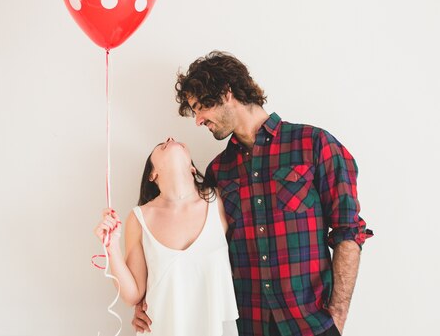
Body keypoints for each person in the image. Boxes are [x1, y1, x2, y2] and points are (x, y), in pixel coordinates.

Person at [133, 51, 373, 336]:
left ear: (225, 92)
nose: (197, 120)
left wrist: (337, 316)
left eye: (199, 107)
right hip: (248, 326)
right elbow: (197, 251)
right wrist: (148, 301)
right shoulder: (218, 172)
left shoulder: (315, 145)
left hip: (311, 325)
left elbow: (349, 231)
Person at [95, 137, 239, 336]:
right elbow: (132, 295)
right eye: (160, 145)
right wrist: (111, 246)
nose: (170, 138)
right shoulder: (139, 217)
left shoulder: (219, 201)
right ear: (152, 175)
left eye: (181, 142)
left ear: (192, 168)